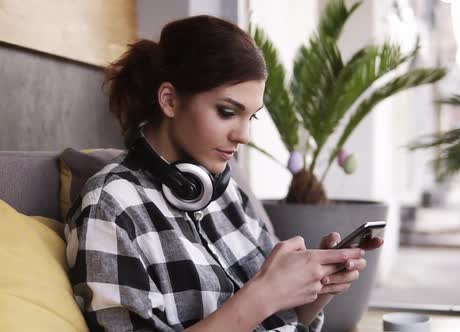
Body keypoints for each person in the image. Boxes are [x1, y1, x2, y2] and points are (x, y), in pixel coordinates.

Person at [64, 15, 383, 332]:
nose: (243, 135)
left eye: (251, 117)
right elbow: (263, 303)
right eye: (227, 112)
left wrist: (319, 283)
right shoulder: (110, 208)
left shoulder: (226, 190)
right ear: (170, 101)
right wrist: (262, 295)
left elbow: (282, 319)